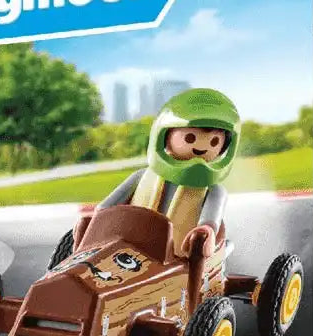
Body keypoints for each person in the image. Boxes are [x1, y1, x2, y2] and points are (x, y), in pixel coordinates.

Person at [98, 87, 241, 258]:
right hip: (127, 246)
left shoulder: (214, 191)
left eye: (214, 142)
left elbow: (210, 219)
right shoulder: (142, 176)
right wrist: (98, 218)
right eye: (189, 138)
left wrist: (207, 231)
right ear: (164, 136)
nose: (201, 147)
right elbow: (108, 206)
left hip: (179, 258)